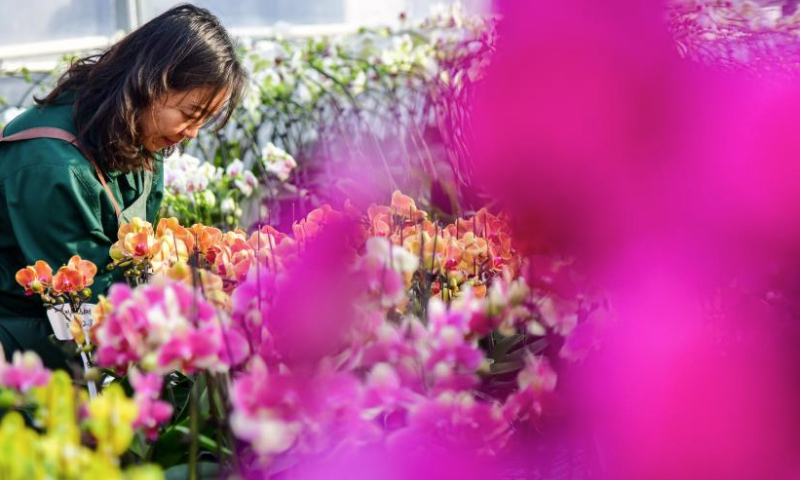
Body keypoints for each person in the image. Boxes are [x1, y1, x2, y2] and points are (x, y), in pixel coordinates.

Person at [0, 3, 246, 370]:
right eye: (190, 114)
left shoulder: (137, 136)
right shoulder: (51, 165)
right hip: (34, 345)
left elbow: (139, 261)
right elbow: (83, 305)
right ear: (152, 82)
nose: (192, 133)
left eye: (204, 121)